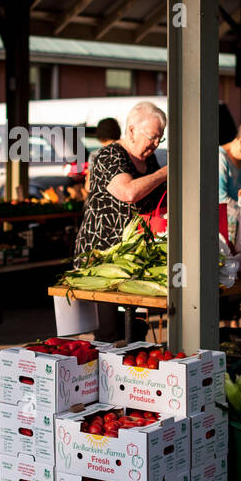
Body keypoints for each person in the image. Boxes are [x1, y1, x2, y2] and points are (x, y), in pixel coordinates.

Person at [74, 102, 168, 341]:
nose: (156, 144)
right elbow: (128, 193)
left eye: (160, 138)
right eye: (153, 137)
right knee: (110, 332)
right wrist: (167, 172)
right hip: (103, 258)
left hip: (134, 258)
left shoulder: (151, 161)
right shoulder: (110, 155)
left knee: (136, 330)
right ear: (132, 130)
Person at [83, 117, 121, 196]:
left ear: (99, 137)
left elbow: (89, 186)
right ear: (118, 133)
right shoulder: (129, 151)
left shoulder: (96, 155)